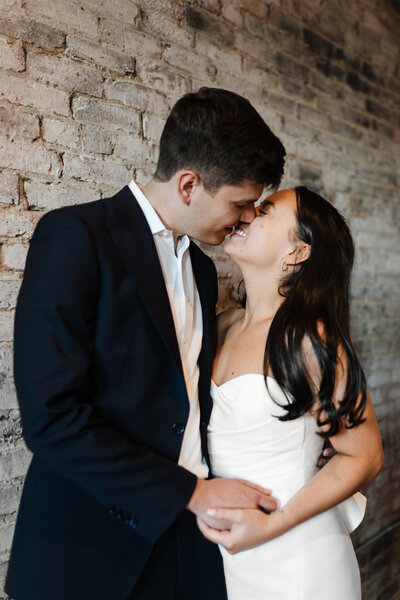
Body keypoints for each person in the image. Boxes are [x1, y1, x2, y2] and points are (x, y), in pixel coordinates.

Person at [5, 88, 286, 600]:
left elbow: (186, 399)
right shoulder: (75, 236)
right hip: (91, 550)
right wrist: (191, 493)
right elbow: (52, 420)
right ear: (188, 184)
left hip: (192, 548)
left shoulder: (202, 268)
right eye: (241, 203)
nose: (247, 218)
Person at [197, 187, 384, 599]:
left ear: (298, 251)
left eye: (263, 211)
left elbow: (365, 454)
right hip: (231, 559)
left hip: (298, 557)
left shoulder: (311, 340)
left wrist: (275, 523)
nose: (245, 214)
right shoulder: (222, 326)